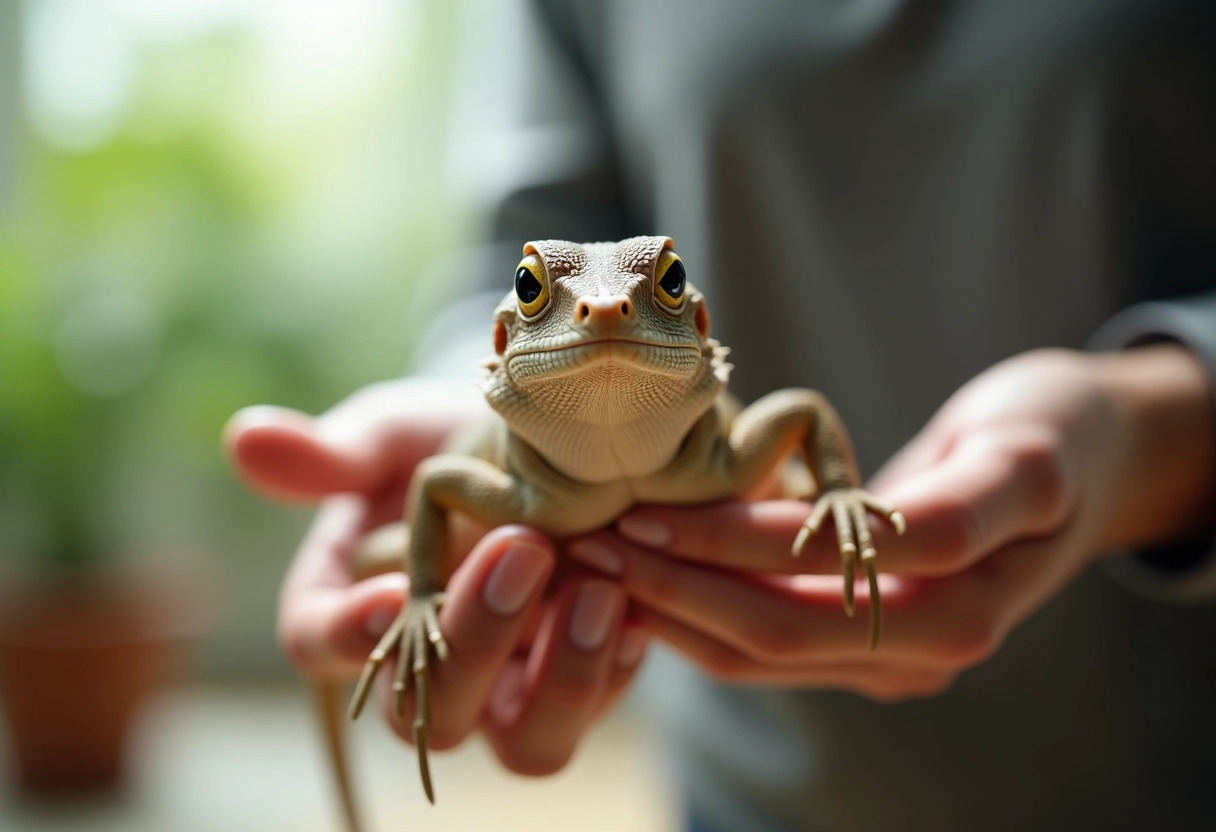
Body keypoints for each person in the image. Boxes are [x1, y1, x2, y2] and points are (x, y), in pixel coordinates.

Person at [225, 1, 1216, 828]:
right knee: (375, 579)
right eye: (551, 300)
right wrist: (421, 596)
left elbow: (787, 416)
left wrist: (1160, 424)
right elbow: (532, 246)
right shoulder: (516, 465)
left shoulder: (716, 454)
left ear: (693, 322)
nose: (606, 310)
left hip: (1172, 758)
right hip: (744, 778)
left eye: (648, 294)